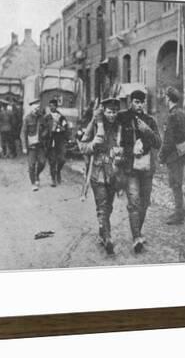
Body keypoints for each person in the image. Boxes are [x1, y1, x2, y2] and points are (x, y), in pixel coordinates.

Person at [78, 97, 125, 255]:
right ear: (104, 111)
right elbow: (82, 146)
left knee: (109, 207)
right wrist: (93, 145)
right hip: (97, 172)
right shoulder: (96, 124)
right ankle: (107, 237)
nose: (112, 115)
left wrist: (121, 153)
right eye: (109, 112)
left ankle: (102, 229)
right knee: (103, 206)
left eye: (114, 112)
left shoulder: (119, 127)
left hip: (113, 172)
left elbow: (125, 147)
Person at [119, 89, 161, 253]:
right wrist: (130, 152)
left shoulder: (149, 120)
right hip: (130, 168)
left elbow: (158, 143)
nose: (139, 105)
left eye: (141, 102)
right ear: (131, 102)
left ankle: (138, 231)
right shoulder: (123, 118)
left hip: (146, 168)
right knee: (134, 202)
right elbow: (118, 142)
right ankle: (136, 237)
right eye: (136, 102)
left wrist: (147, 131)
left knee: (144, 202)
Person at [159, 87, 185, 225]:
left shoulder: (172, 116)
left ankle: (179, 214)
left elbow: (168, 140)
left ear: (169, 98)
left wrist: (161, 156)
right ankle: (179, 211)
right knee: (178, 182)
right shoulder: (181, 113)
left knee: (175, 184)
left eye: (166, 97)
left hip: (173, 155)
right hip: (181, 153)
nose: (165, 99)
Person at [20, 99, 48, 191]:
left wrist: (44, 134)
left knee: (42, 162)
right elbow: (23, 133)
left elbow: (46, 128)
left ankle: (37, 175)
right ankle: (33, 183)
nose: (37, 110)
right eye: (35, 108)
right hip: (31, 146)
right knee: (31, 165)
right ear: (31, 108)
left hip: (40, 145)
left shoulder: (41, 118)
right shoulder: (27, 118)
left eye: (38, 108)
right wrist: (24, 146)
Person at [44, 98, 69, 187]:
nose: (52, 108)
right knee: (52, 161)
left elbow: (66, 128)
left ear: (56, 106)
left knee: (62, 159)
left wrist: (60, 128)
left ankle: (58, 171)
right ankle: (53, 179)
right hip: (50, 141)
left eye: (53, 106)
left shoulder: (61, 117)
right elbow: (43, 129)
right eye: (50, 106)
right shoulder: (47, 118)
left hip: (60, 140)